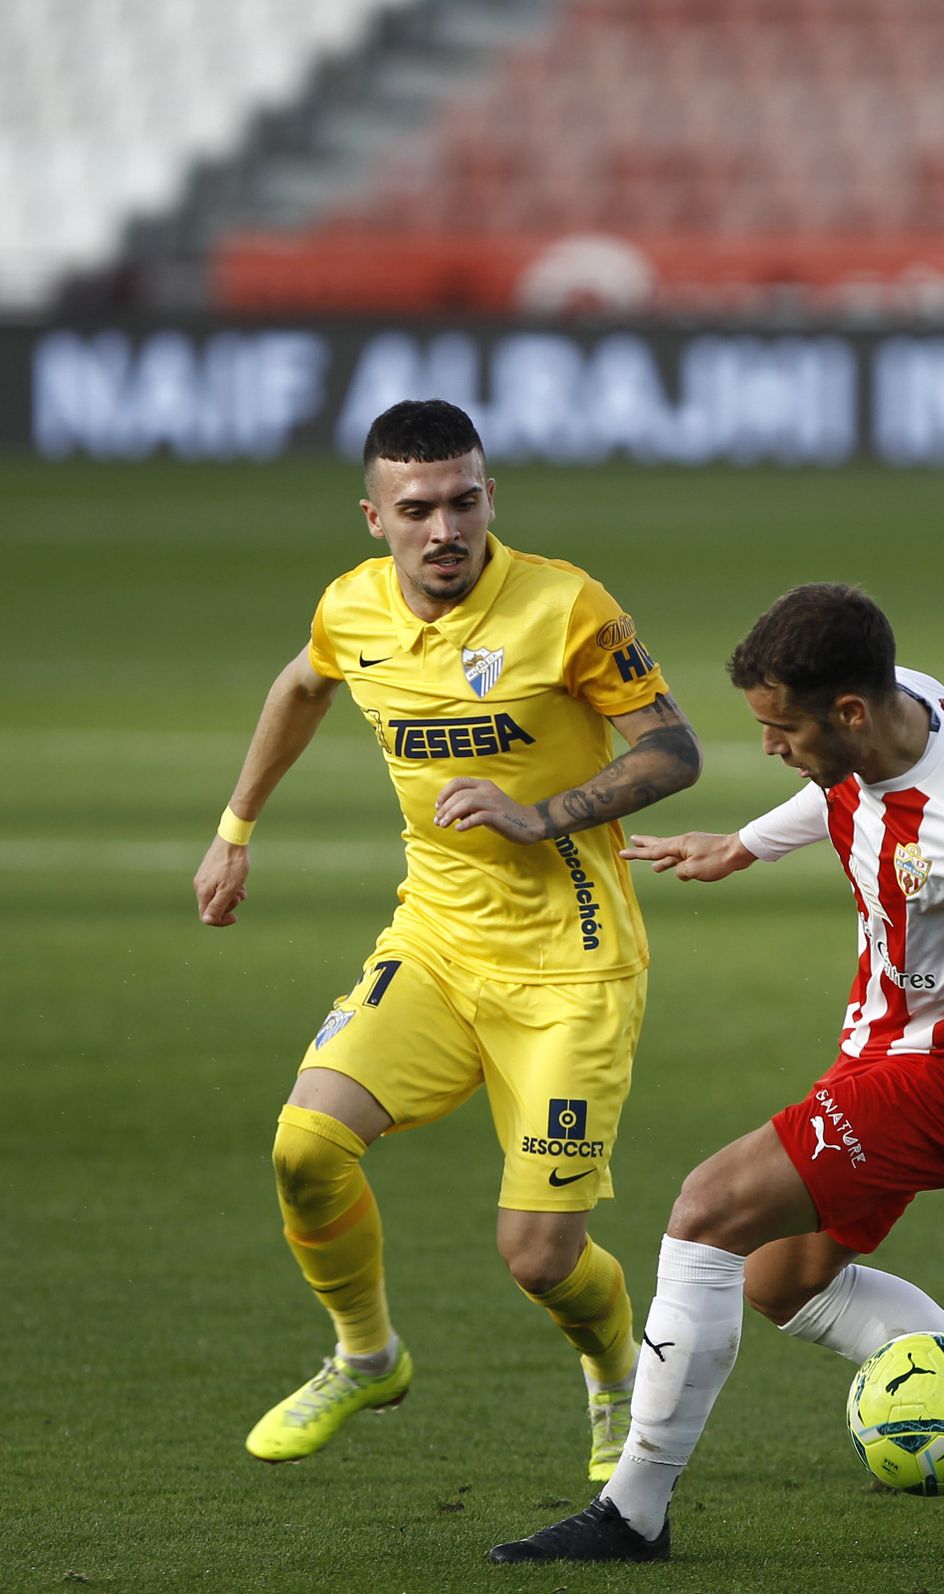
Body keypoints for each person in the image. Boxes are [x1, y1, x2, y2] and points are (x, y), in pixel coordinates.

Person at [488, 583, 944, 1564]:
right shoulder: (892, 714)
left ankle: (630, 1511)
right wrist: (742, 845)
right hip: (881, 1050)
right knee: (781, 1280)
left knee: (705, 1208)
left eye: (781, 728)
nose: (770, 746)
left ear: (850, 711)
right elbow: (833, 788)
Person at [192, 399, 701, 1481]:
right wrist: (235, 829)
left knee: (539, 1258)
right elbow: (300, 685)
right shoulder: (351, 609)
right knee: (303, 1147)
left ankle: (615, 1375)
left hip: (572, 966)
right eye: (417, 507)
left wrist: (542, 813)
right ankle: (366, 1354)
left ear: (490, 497)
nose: (444, 528)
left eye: (464, 500)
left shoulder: (566, 607)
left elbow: (675, 752)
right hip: (433, 943)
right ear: (373, 515)